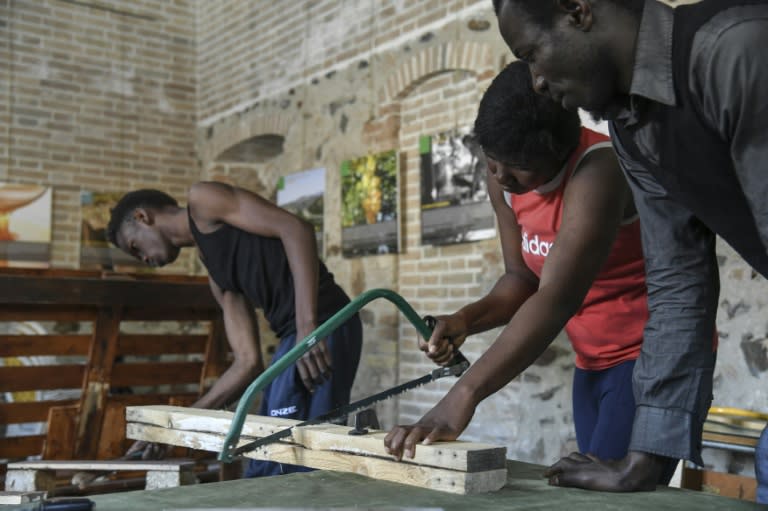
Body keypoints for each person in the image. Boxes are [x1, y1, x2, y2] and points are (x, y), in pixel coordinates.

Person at [493, 0, 768, 493]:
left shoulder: (738, 50)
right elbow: (680, 282)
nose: (535, 79)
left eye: (531, 53)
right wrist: (644, 459)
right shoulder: (633, 130)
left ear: (576, 10)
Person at [385, 61, 679, 481]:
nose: (501, 176)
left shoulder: (598, 171)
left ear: (559, 150)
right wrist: (465, 320)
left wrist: (464, 394)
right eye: (491, 162)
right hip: (591, 360)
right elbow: (522, 280)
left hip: (646, 356)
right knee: (593, 488)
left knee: (617, 494)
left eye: (518, 167)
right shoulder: (503, 176)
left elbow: (556, 297)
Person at [107, 182, 363, 477]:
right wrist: (171, 426)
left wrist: (309, 328)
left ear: (142, 217)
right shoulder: (216, 274)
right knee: (264, 459)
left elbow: (296, 229)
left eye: (135, 247)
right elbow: (247, 364)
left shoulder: (202, 199)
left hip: (325, 323)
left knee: (300, 461)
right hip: (293, 339)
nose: (144, 260)